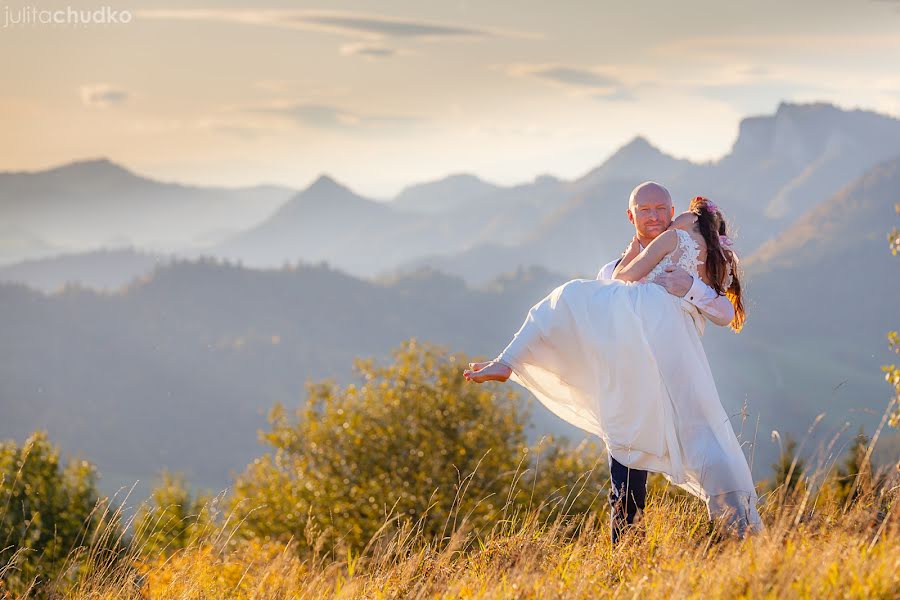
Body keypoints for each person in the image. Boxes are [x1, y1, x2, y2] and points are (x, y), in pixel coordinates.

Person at [463, 186, 762, 541]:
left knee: (703, 435)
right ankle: (625, 546)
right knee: (626, 456)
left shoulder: (684, 248)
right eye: (645, 210)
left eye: (662, 209)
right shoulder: (613, 267)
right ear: (631, 215)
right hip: (625, 372)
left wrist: (689, 287)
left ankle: (736, 528)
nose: (654, 216)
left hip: (670, 365)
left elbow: (726, 312)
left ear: (673, 211)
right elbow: (605, 307)